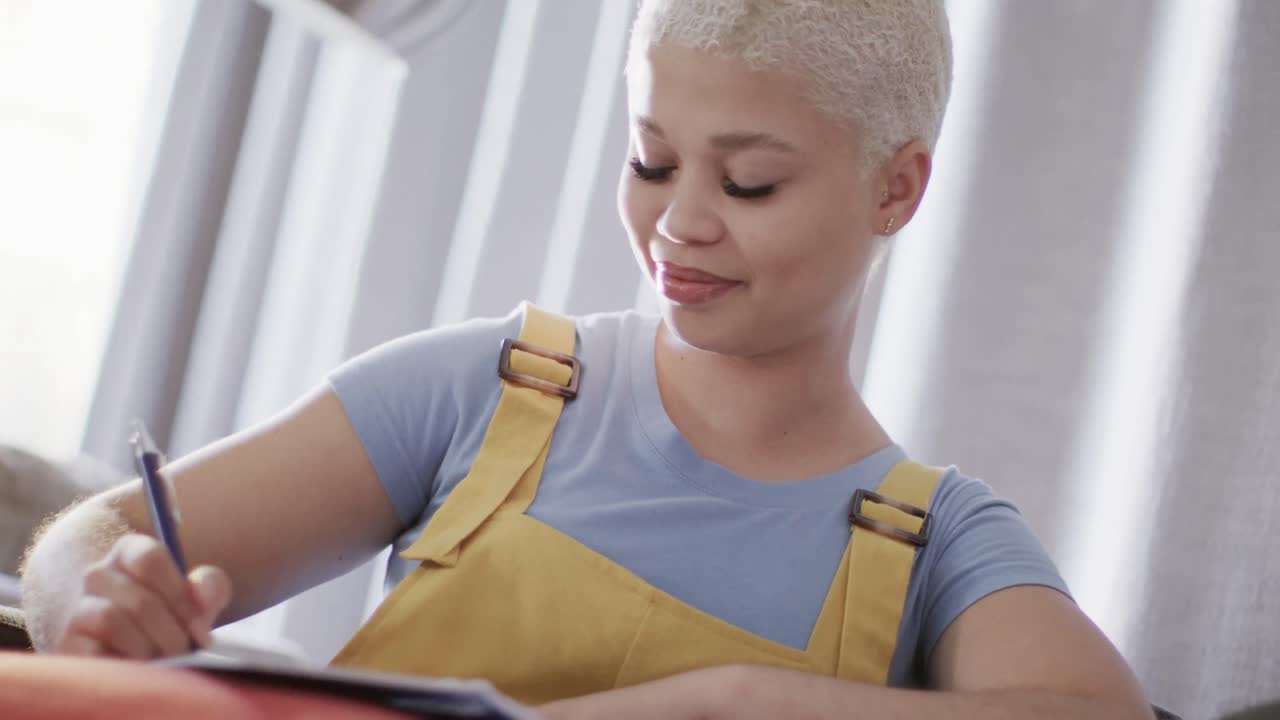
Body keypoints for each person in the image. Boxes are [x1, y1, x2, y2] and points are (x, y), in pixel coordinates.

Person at [20, 1, 1156, 717]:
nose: (678, 226)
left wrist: (735, 703)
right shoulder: (492, 388)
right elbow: (99, 534)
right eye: (651, 160)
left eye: (746, 182)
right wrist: (90, 597)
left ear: (894, 187)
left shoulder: (932, 543)